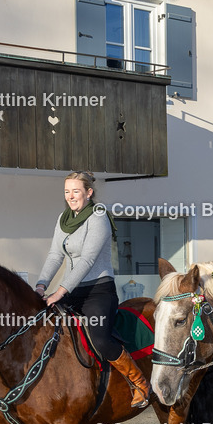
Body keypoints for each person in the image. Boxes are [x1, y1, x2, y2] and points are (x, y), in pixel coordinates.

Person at [35, 171, 149, 408]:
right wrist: (41, 284)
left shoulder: (98, 218)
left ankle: (139, 383)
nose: (70, 196)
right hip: (71, 291)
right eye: (67, 191)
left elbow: (87, 260)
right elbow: (55, 255)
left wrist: (59, 292)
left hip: (98, 290)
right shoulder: (63, 219)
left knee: (99, 337)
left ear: (89, 193)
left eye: (76, 191)